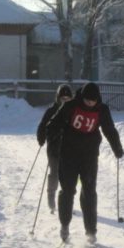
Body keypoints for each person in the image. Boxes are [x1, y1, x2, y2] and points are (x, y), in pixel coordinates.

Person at [46, 82, 124, 248]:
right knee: (67, 190)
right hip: (68, 155)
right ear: (83, 97)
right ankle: (65, 225)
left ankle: (91, 231)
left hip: (89, 156)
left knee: (89, 191)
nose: (90, 104)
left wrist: (117, 147)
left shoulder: (102, 109)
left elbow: (109, 129)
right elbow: (56, 121)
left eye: (92, 101)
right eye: (87, 100)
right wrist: (49, 133)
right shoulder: (71, 105)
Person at [36, 84, 73, 214]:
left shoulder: (73, 111)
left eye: (68, 99)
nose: (65, 101)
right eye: (63, 98)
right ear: (58, 98)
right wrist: (41, 137)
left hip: (69, 149)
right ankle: (51, 195)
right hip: (54, 148)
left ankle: (67, 201)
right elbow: (43, 125)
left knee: (68, 176)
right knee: (55, 173)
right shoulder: (51, 111)